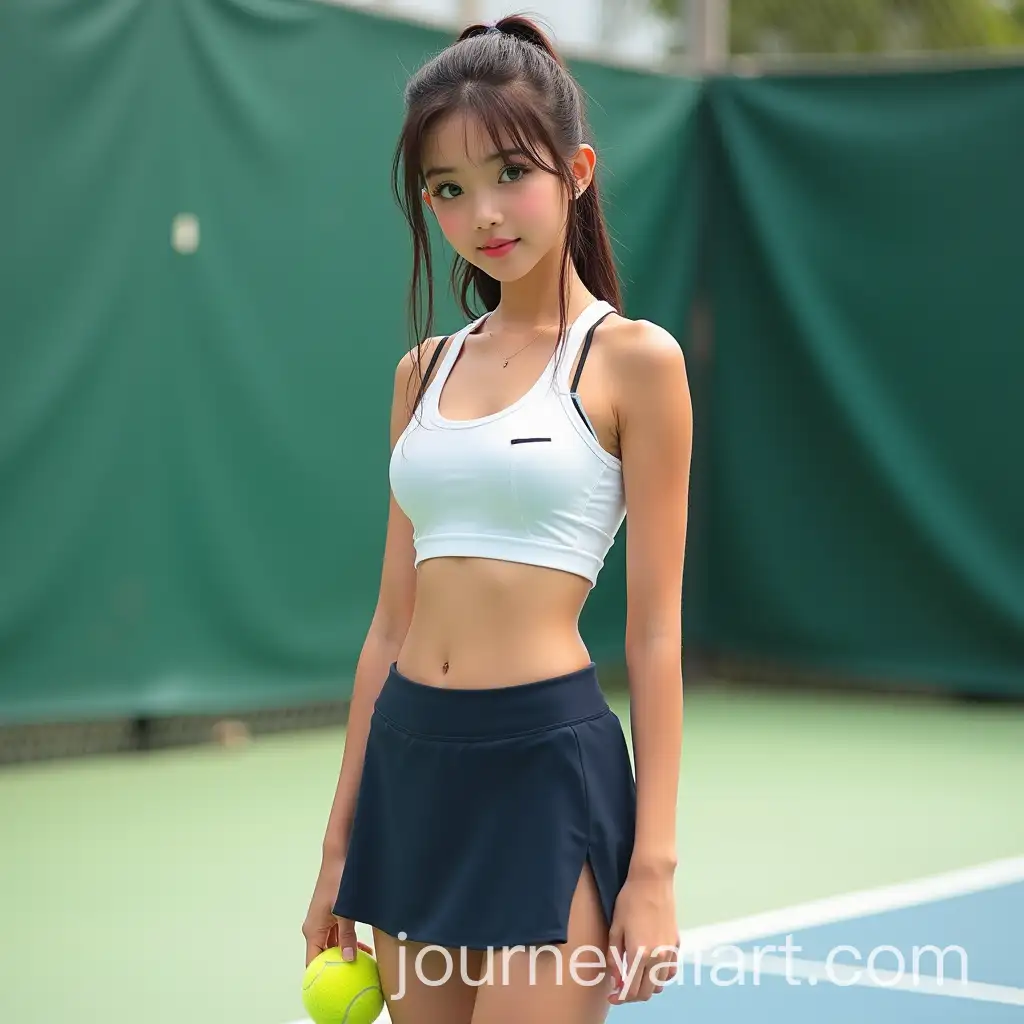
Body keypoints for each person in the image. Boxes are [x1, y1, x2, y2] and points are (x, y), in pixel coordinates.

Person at [302, 14, 692, 1023]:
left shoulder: (635, 363)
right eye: (446, 188)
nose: (483, 212)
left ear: (577, 171)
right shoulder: (420, 371)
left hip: (543, 773)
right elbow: (388, 626)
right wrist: (336, 850)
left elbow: (652, 633)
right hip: (409, 765)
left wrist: (651, 869)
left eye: (510, 172)